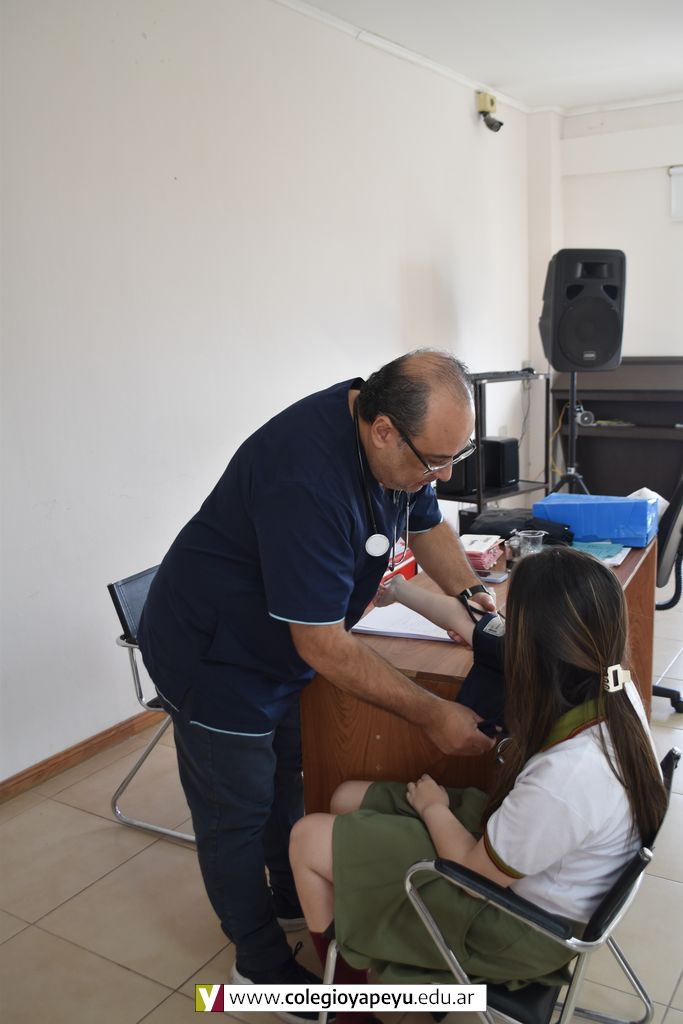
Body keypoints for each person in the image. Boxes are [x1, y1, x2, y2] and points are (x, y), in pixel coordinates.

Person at [137, 349, 496, 997]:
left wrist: (470, 598)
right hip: (215, 656)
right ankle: (257, 967)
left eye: (455, 457)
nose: (443, 474)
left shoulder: (398, 438)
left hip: (278, 647)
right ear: (383, 430)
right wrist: (432, 713)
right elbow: (323, 646)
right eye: (435, 461)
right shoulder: (305, 478)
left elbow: (422, 524)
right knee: (234, 815)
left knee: (284, 778)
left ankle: (286, 896)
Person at [290, 547, 667, 993]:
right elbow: (474, 625)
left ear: (534, 649)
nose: (507, 633)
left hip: (514, 924)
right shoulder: (612, 681)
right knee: (345, 798)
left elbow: (473, 877)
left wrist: (433, 808)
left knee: (307, 837)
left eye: (515, 624)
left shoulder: (568, 777)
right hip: (528, 865)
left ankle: (349, 1002)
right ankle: (368, 920)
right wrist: (399, 591)